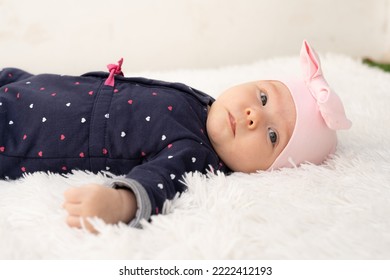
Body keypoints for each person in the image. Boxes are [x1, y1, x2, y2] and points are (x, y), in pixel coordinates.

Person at [0, 40, 351, 233]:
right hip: (29, 84)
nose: (253, 116)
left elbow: (158, 183)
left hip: (20, 131)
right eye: (262, 97)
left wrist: (121, 204)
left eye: (273, 135)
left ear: (270, 169)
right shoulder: (205, 104)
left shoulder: (195, 153)